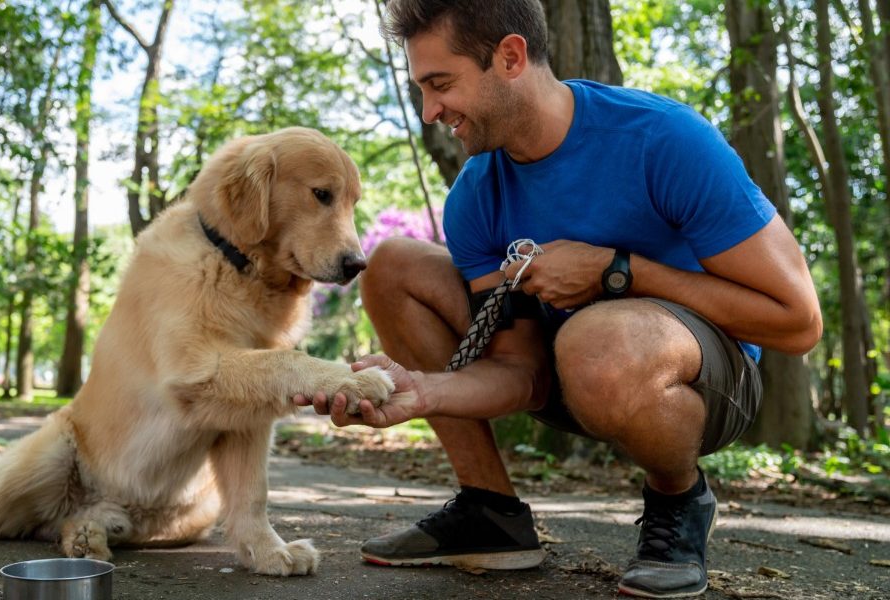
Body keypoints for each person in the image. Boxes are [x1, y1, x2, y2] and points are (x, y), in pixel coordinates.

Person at [292, 0, 822, 597]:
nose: (430, 110)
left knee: (599, 341)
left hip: (703, 380)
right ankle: (490, 512)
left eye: (441, 84)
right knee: (391, 264)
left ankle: (679, 500)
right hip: (569, 368)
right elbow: (525, 375)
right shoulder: (476, 193)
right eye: (422, 88)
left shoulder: (663, 139)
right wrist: (422, 391)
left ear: (511, 57)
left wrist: (619, 273)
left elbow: (797, 321)